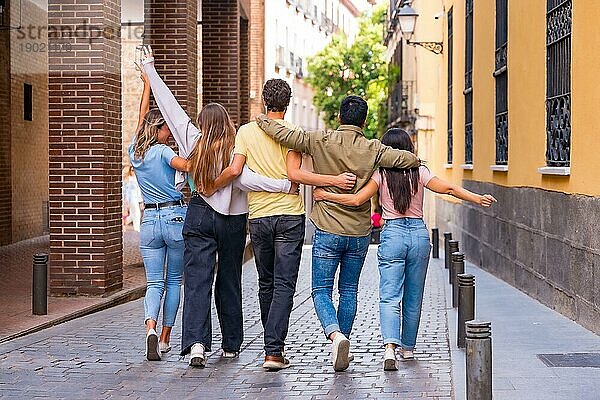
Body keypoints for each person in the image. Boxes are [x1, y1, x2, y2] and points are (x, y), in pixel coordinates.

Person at [140, 51, 306, 368]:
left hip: (200, 214)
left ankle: (197, 345)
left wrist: (150, 68)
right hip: (233, 222)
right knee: (229, 279)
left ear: (202, 123)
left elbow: (170, 108)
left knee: (197, 280)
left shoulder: (193, 140)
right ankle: (231, 344)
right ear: (227, 123)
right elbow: (248, 179)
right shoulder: (236, 146)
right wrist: (285, 186)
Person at [256, 95, 421, 372]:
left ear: (340, 118)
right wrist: (413, 158)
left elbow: (281, 132)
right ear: (365, 122)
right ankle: (343, 341)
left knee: (321, 290)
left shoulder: (320, 139)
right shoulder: (374, 149)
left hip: (327, 228)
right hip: (358, 232)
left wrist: (262, 118)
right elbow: (408, 159)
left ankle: (336, 336)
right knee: (348, 291)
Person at [313, 128, 497, 371]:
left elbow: (357, 200)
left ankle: (389, 347)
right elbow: (449, 189)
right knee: (413, 296)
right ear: (409, 148)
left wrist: (325, 195)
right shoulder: (420, 172)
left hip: (393, 235)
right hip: (419, 236)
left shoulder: (381, 174)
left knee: (389, 296)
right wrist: (477, 198)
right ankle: (408, 349)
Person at [207, 79, 357, 371]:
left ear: (264, 101)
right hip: (290, 215)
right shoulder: (293, 133)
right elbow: (297, 174)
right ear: (287, 104)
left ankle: (273, 347)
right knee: (284, 285)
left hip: (259, 216)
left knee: (267, 283)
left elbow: (236, 170)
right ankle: (273, 351)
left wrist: (211, 185)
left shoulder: (246, 132)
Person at [128, 68, 190, 362]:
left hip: (149, 221)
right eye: (166, 128)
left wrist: (146, 86)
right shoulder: (164, 152)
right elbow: (186, 167)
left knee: (154, 283)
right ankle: (165, 338)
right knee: (174, 280)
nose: (169, 132)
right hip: (174, 217)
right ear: (158, 131)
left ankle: (150, 328)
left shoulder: (135, 153)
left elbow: (141, 120)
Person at [123, 166, 143, 232]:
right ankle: (137, 228)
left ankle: (124, 221)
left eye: (134, 170)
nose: (133, 172)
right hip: (131, 198)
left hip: (136, 198)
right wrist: (125, 200)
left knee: (133, 214)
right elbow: (125, 190)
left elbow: (139, 190)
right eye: (131, 170)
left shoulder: (137, 178)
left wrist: (140, 200)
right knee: (137, 213)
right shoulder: (129, 179)